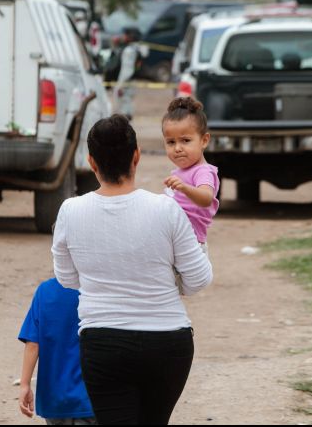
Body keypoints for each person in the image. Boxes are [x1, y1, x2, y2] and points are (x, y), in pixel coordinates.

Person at [53, 114, 213, 425]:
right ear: (136, 156)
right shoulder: (166, 209)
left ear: (92, 162)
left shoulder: (70, 212)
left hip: (103, 344)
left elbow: (67, 278)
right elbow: (198, 280)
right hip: (168, 344)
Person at [18, 278, 96, 425]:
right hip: (90, 396)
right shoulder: (97, 289)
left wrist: (25, 384)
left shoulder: (45, 290)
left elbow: (33, 344)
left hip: (54, 398)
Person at [162, 97, 220, 258]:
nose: (178, 148)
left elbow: (206, 198)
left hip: (190, 246)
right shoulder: (179, 172)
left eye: (185, 140)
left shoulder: (203, 172)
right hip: (175, 242)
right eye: (171, 142)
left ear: (204, 140)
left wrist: (184, 188)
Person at [113, 27, 144, 119]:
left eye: (125, 35)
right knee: (128, 103)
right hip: (132, 81)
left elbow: (127, 70)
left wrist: (121, 85)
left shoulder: (129, 51)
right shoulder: (137, 49)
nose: (123, 37)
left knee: (123, 105)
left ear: (130, 37)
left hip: (126, 81)